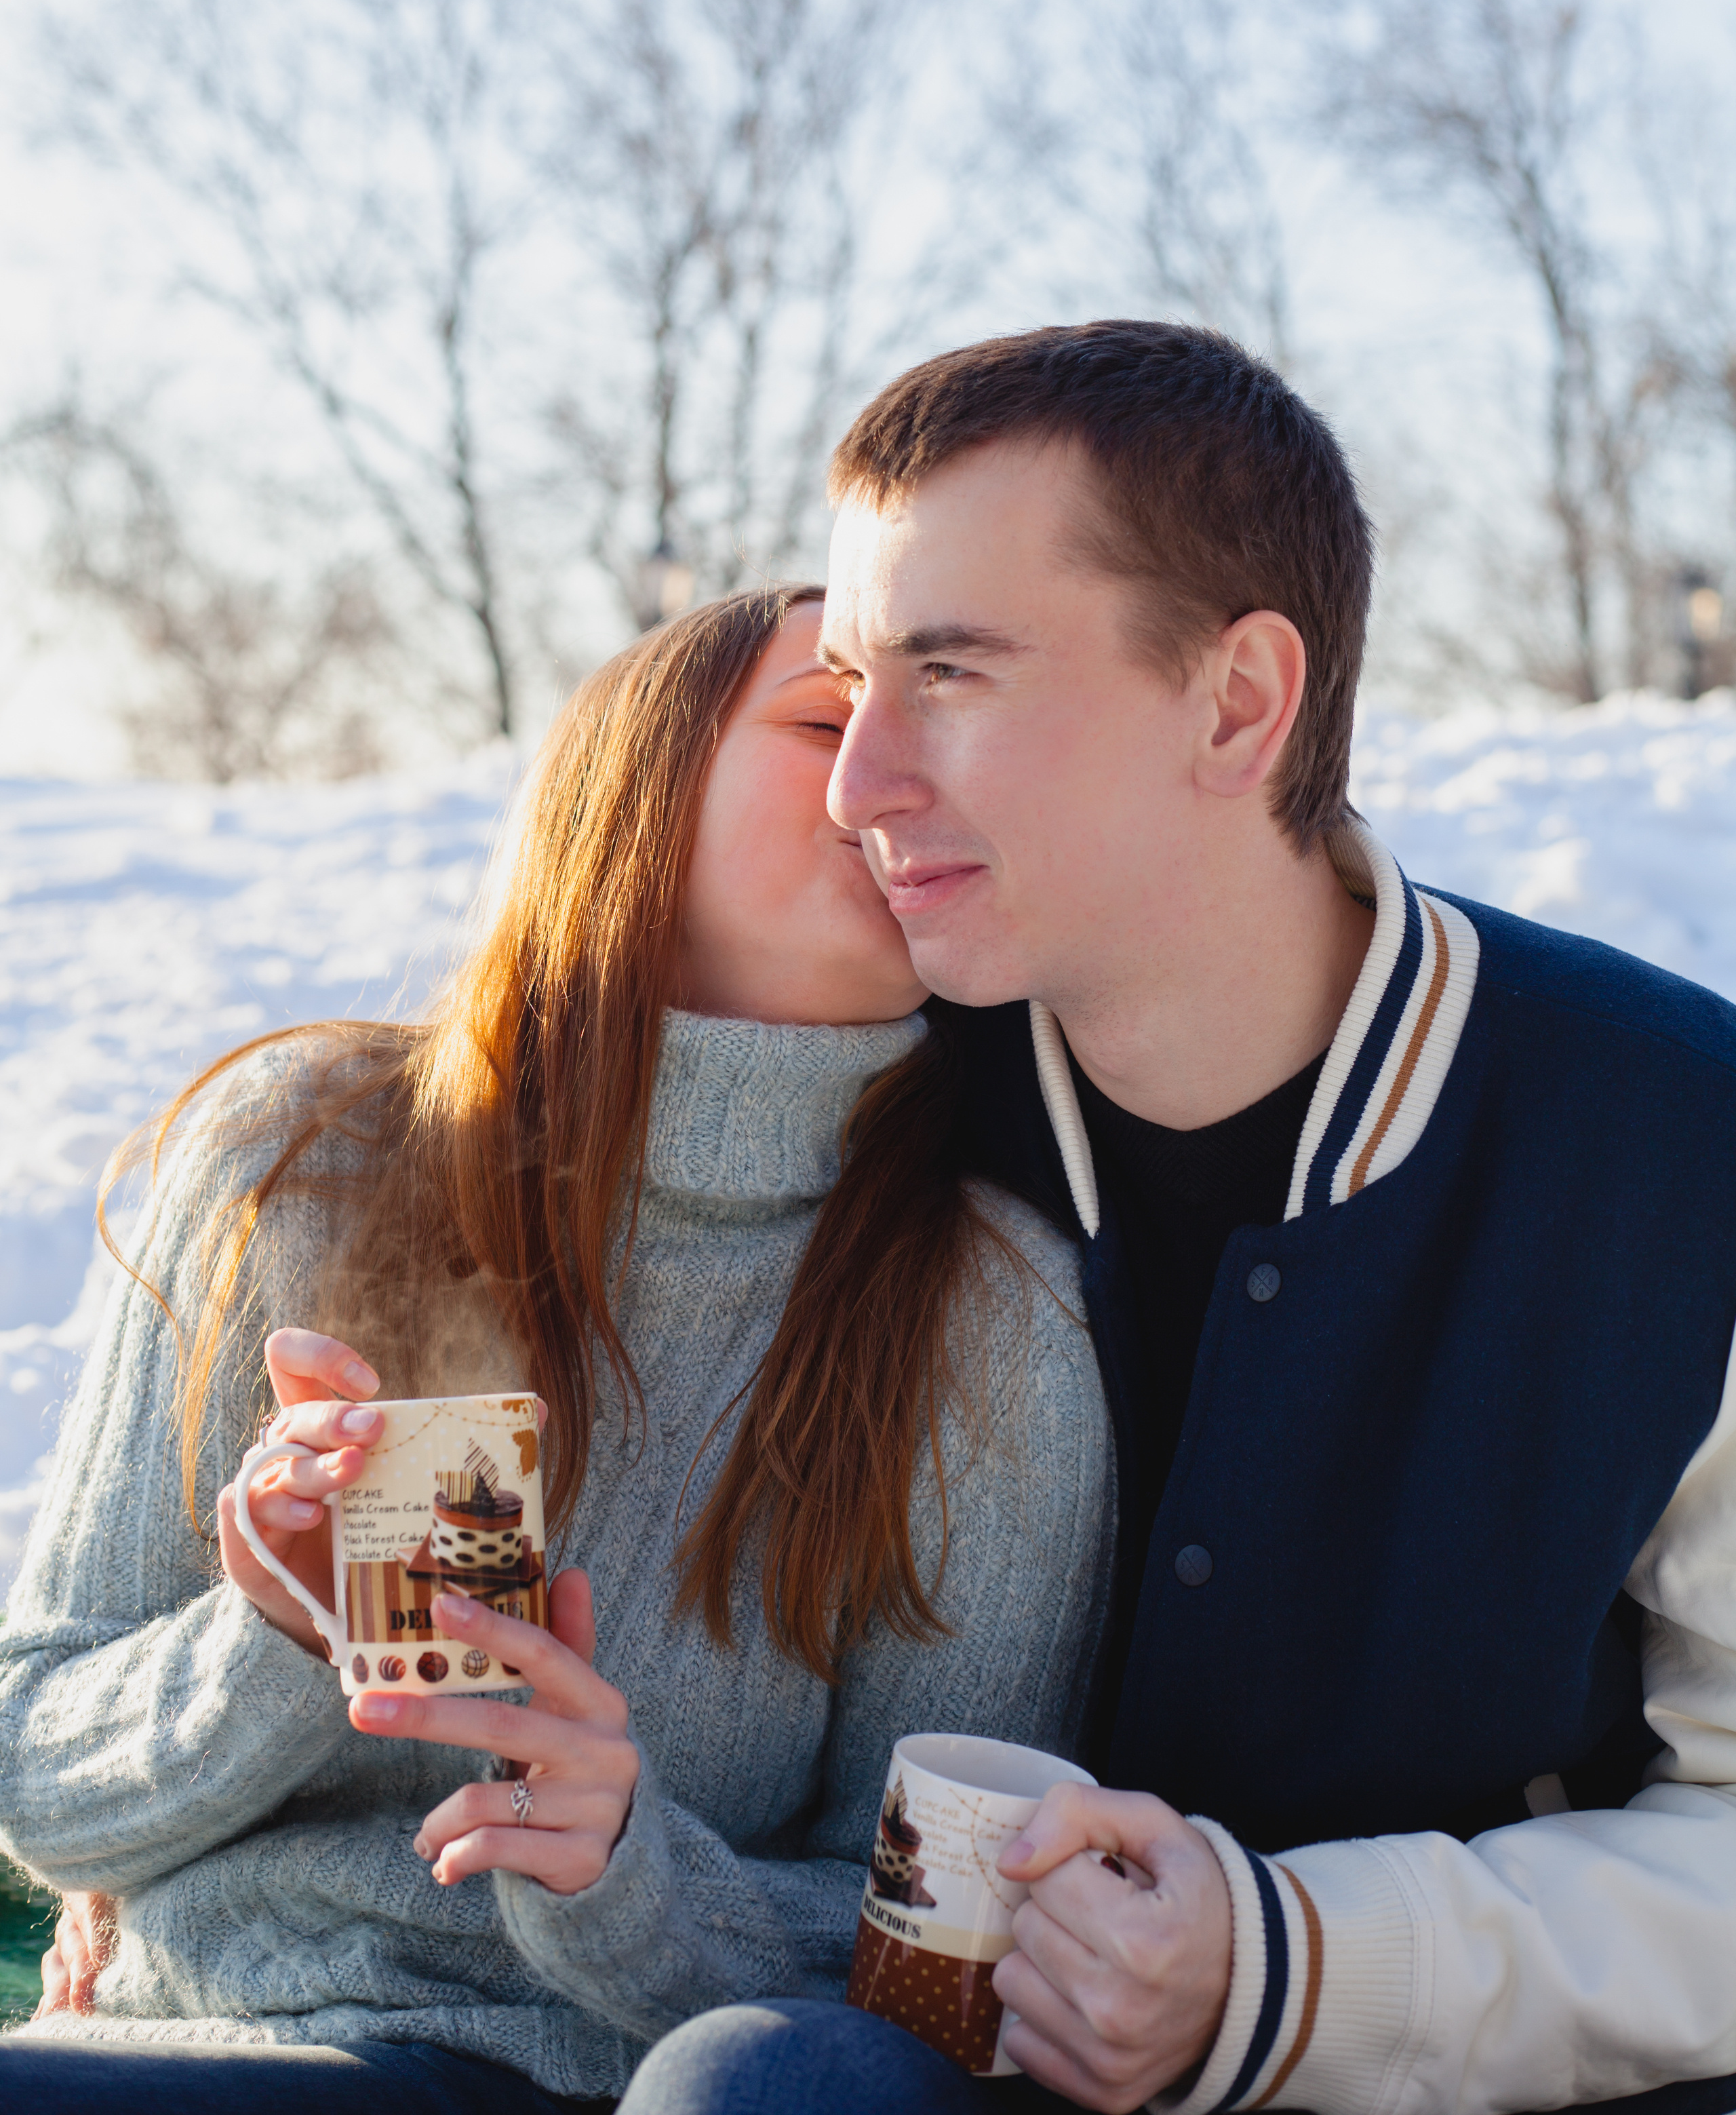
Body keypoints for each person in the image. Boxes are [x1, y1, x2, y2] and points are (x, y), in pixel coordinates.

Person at [619, 323, 1736, 2115]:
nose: (859, 782)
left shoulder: (1679, 1143)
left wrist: (1290, 1963)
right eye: (847, 688)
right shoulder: (882, 1092)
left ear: (1236, 705)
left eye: (954, 675)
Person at [0, 585, 1114, 2110]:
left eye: (945, 725)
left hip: (609, 2077)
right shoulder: (306, 1167)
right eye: (824, 715)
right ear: (638, 782)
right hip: (202, 2047)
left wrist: (627, 1866)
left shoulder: (985, 1311)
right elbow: (36, 1782)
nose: (885, 771)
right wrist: (261, 1638)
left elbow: (947, 1953)